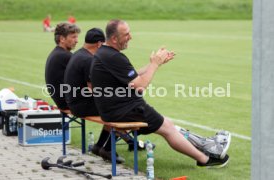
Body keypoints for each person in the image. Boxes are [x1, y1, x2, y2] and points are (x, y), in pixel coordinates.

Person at [91, 19, 230, 168]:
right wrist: (154, 64)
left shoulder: (105, 53)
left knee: (168, 124)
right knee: (168, 129)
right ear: (114, 38)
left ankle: (205, 152)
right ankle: (205, 160)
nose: (130, 37)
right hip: (125, 110)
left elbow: (132, 76)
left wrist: (156, 63)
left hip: (117, 109)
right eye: (126, 34)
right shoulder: (114, 57)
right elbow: (140, 86)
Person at [64, 28, 153, 164]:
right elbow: (93, 89)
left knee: (118, 105)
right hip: (81, 106)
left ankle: (100, 146)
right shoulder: (89, 60)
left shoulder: (80, 54)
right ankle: (108, 148)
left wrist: (152, 65)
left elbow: (130, 75)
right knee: (123, 108)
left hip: (75, 103)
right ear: (99, 44)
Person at [45, 22, 80, 110]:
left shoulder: (57, 53)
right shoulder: (64, 56)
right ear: (62, 39)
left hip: (63, 100)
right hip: (68, 103)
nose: (77, 40)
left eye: (77, 37)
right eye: (73, 37)